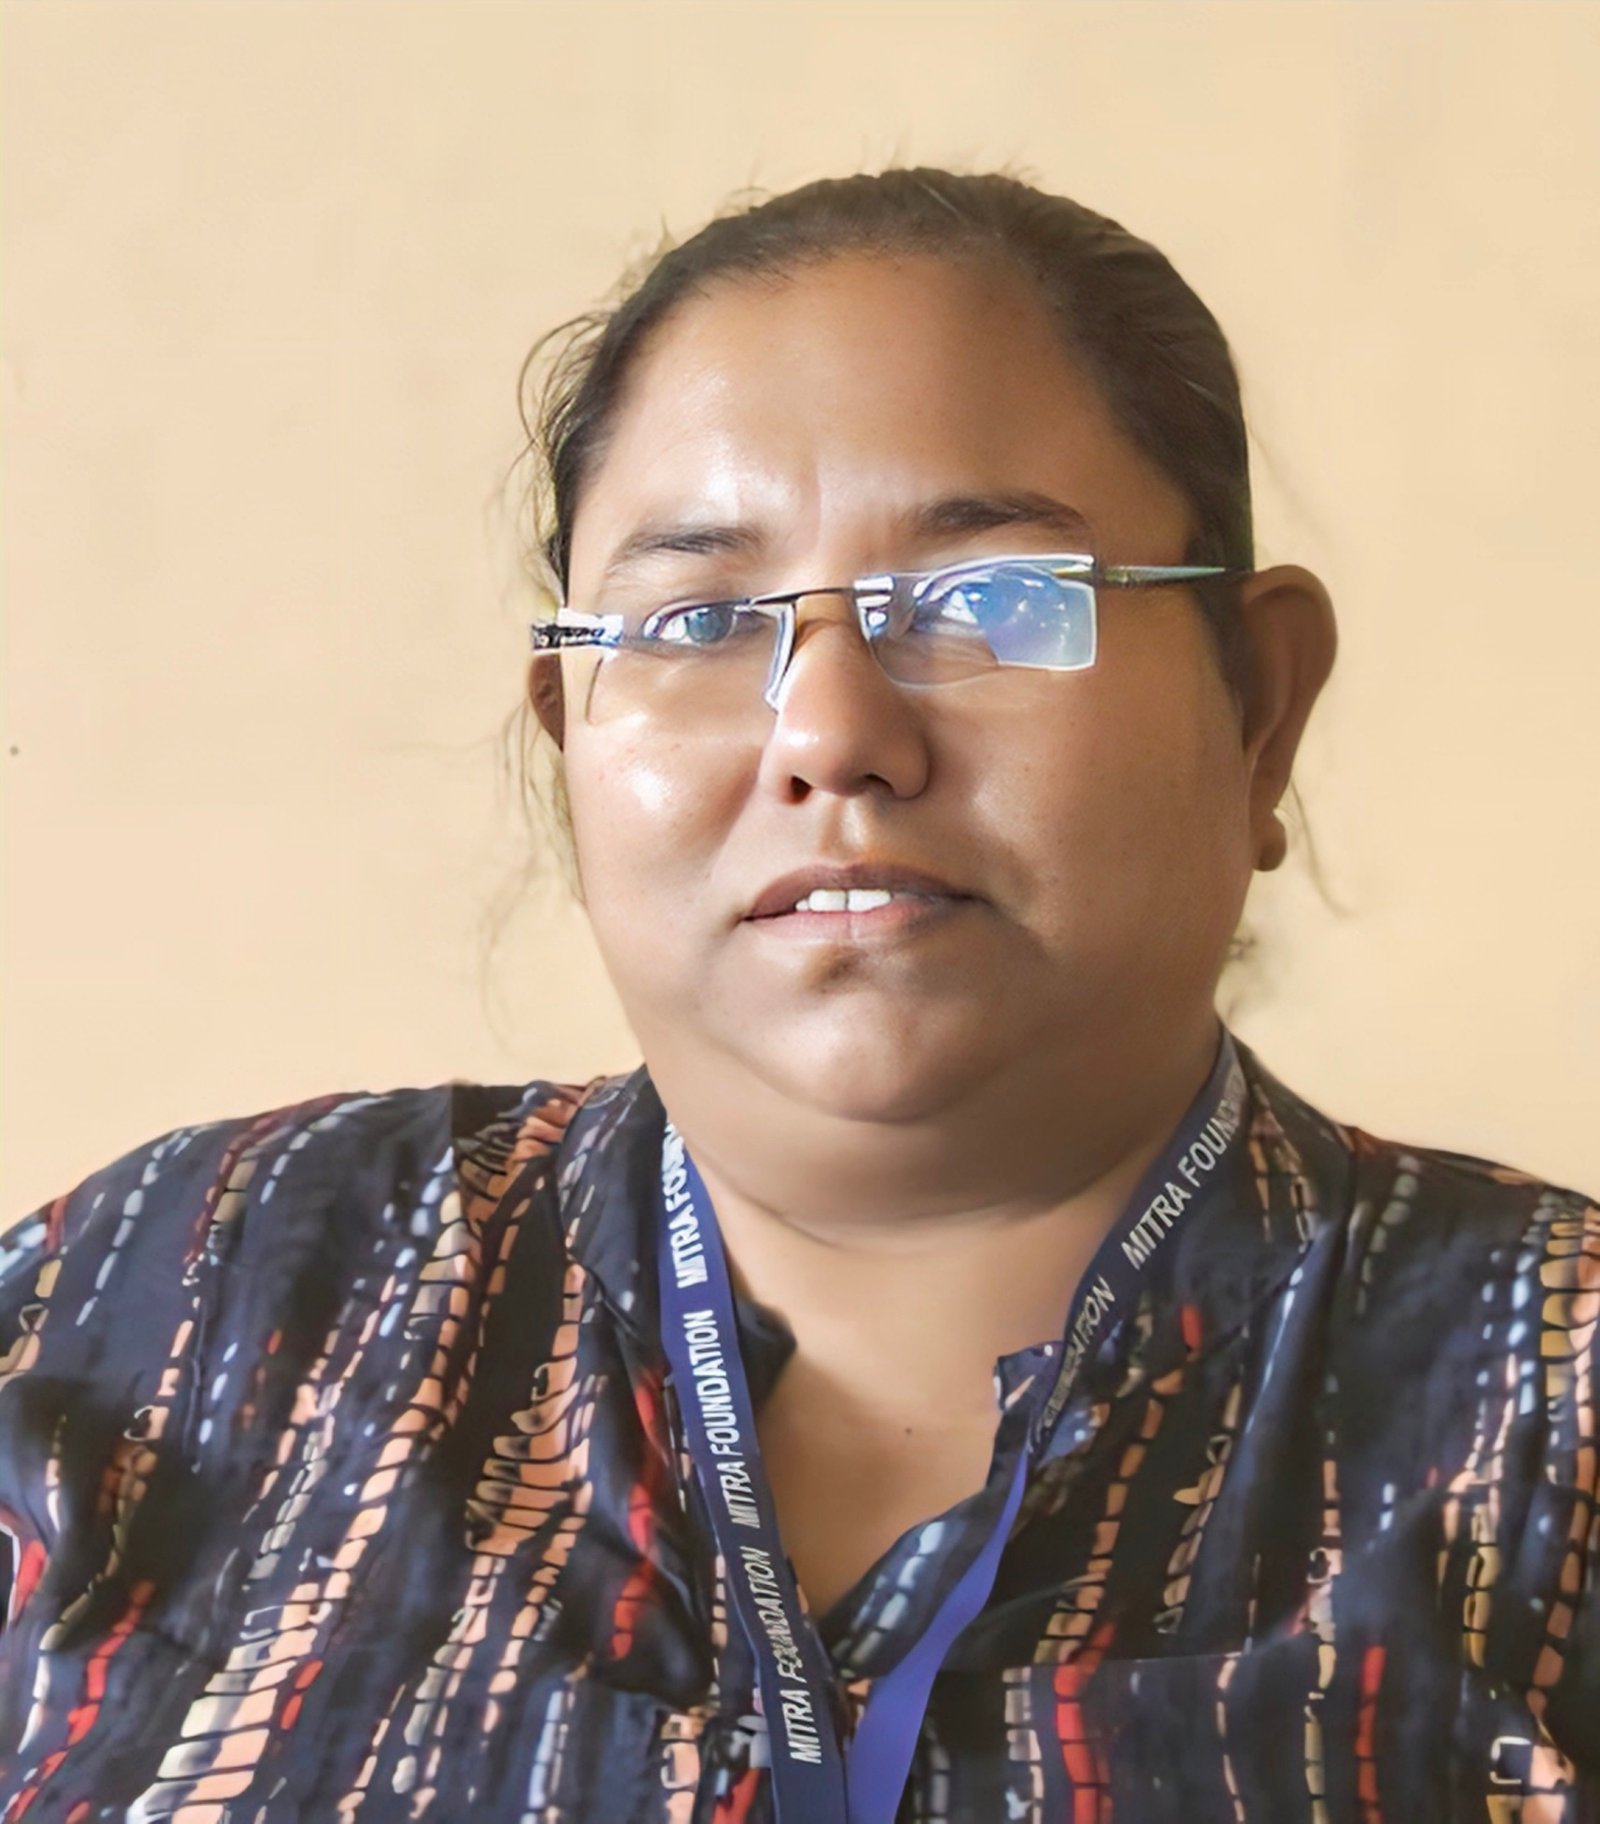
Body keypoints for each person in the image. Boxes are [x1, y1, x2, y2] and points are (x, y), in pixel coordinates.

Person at [0, 167, 1594, 1824]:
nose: (831, 733)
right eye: (697, 620)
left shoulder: (1555, 1400)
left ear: (1258, 707)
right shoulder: (174, 1302)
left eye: (987, 600)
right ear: (568, 741)